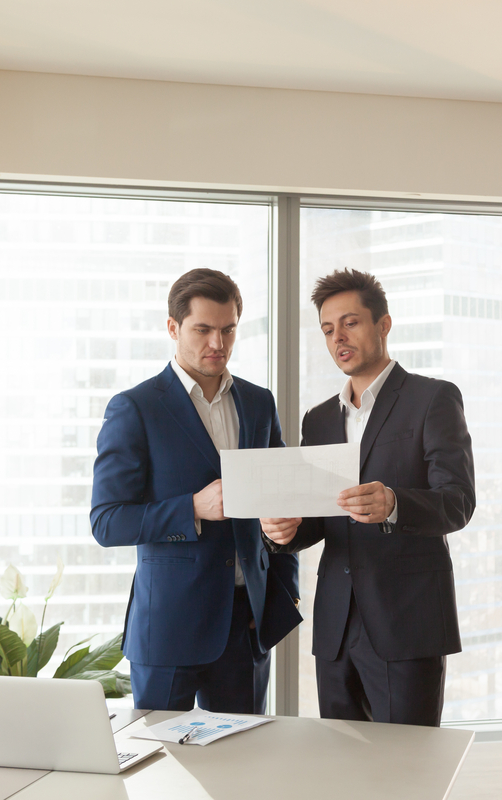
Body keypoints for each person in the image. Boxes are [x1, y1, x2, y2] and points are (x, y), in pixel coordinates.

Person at [261, 269, 475, 727]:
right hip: (336, 625)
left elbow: (458, 501)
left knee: (406, 771)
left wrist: (394, 503)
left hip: (407, 622)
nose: (338, 337)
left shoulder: (432, 399)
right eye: (327, 328)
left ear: (383, 325)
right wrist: (284, 533)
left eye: (350, 322)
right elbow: (318, 518)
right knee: (341, 767)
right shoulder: (318, 420)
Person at [91, 268, 301, 713]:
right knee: (161, 768)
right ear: (173, 328)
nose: (217, 344)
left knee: (243, 770)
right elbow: (107, 520)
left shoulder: (259, 403)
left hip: (245, 626)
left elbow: (282, 499)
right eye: (203, 329)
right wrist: (193, 509)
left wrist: (281, 592)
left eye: (228, 330)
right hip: (169, 627)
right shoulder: (135, 408)